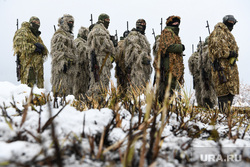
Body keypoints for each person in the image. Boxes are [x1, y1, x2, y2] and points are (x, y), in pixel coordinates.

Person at [208, 15, 239, 112]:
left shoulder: (228, 34)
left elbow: (235, 49)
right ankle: (223, 117)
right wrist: (230, 53)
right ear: (225, 21)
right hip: (221, 67)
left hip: (230, 68)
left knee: (230, 93)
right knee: (223, 92)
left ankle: (227, 116)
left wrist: (234, 54)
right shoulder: (218, 32)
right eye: (230, 21)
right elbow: (218, 51)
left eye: (233, 22)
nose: (232, 24)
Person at [86, 13, 116, 101]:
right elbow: (102, 44)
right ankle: (95, 101)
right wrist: (112, 43)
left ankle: (99, 101)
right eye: (107, 21)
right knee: (98, 83)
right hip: (100, 60)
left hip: (103, 60)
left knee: (102, 82)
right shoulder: (98, 29)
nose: (108, 23)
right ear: (102, 20)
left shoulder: (102, 30)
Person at [13, 16, 48, 88]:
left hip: (38, 69)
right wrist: (34, 47)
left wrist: (42, 49)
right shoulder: (23, 31)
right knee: (29, 89)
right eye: (35, 22)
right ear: (30, 23)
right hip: (28, 67)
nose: (37, 24)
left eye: (38, 23)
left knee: (39, 90)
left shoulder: (37, 36)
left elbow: (45, 50)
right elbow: (19, 46)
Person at [157, 15, 185, 103]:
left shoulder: (174, 34)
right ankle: (165, 105)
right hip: (169, 65)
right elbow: (167, 47)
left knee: (173, 87)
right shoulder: (167, 32)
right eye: (174, 22)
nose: (176, 24)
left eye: (178, 22)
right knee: (168, 86)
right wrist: (180, 47)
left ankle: (170, 105)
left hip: (174, 65)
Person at [123, 19, 152, 94]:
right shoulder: (134, 35)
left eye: (144, 23)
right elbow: (133, 49)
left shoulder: (142, 37)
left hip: (143, 67)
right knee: (136, 85)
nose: (143, 25)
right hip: (136, 66)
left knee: (142, 85)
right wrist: (143, 58)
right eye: (141, 23)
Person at [50, 14, 76, 96]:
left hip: (70, 68)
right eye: (69, 22)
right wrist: (63, 63)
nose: (71, 24)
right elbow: (56, 52)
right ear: (64, 23)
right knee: (61, 89)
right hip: (61, 68)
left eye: (72, 22)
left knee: (69, 90)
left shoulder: (69, 36)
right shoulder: (59, 35)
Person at [73, 27, 90, 100]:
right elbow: (83, 54)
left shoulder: (82, 42)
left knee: (83, 86)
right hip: (80, 69)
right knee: (79, 87)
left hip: (82, 69)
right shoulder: (79, 42)